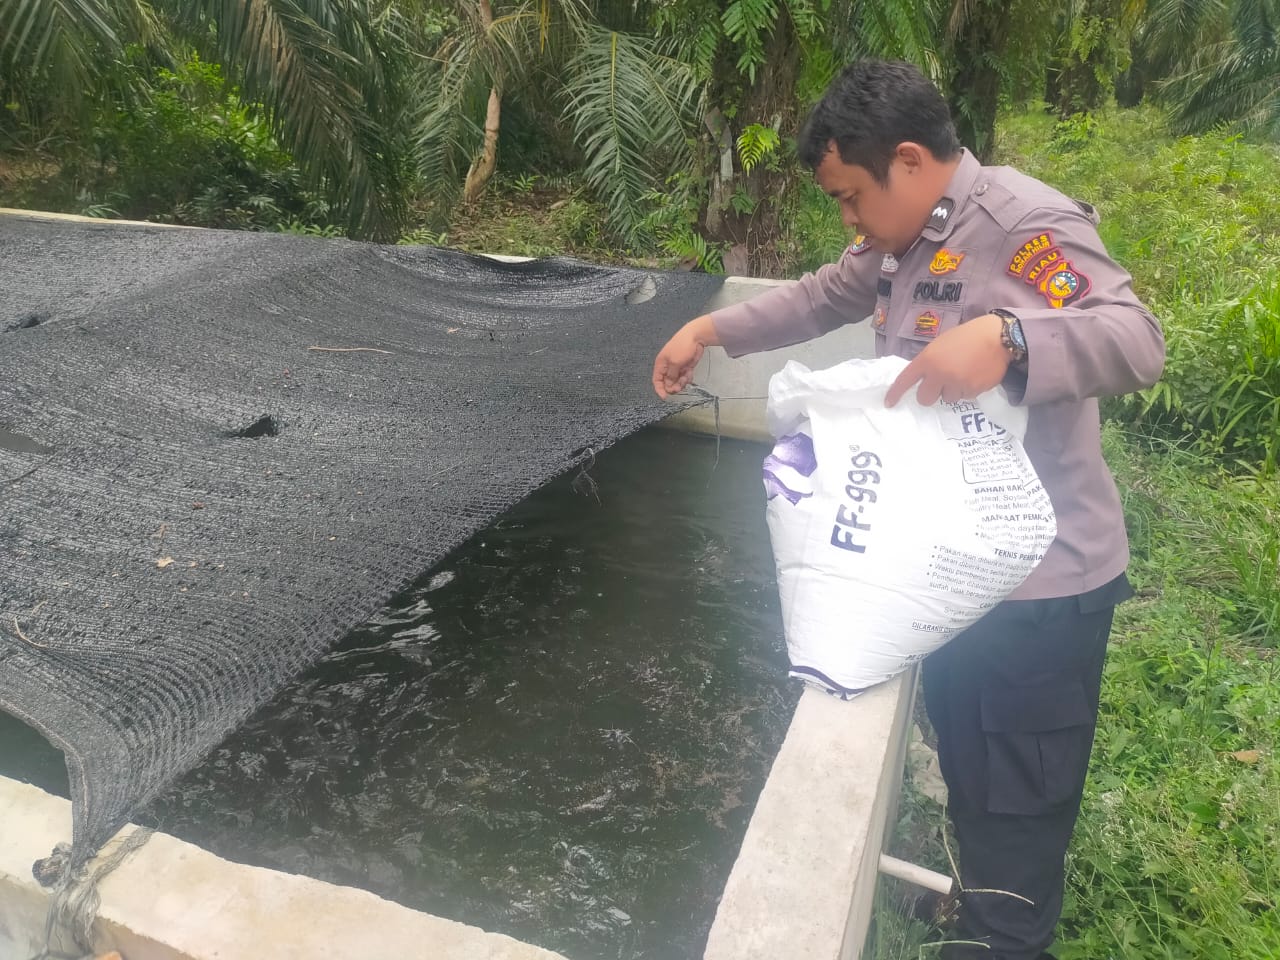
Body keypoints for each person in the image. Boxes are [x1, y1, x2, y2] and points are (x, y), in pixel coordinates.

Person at [651, 60, 1165, 960]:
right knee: (972, 779)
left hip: (1042, 597)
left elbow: (1135, 338)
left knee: (1018, 811)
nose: (848, 220)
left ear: (913, 159)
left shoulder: (1022, 225)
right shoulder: (906, 242)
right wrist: (708, 329)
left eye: (851, 196)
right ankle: (985, 909)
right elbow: (819, 296)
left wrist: (1009, 340)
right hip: (955, 584)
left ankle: (1005, 933)